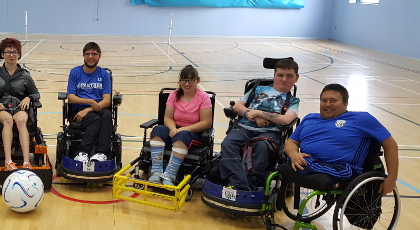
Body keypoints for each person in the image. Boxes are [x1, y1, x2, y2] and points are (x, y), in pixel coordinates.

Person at [284, 83, 398, 195]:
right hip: (313, 165)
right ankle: (309, 166)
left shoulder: (361, 119)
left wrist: (391, 179)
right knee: (284, 168)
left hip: (341, 168)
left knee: (290, 169)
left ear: (345, 104)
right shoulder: (309, 118)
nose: (327, 104)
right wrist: (294, 155)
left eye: (333, 101)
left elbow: (390, 145)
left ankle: (310, 166)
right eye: (324, 100)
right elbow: (292, 141)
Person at [219, 58, 301, 191]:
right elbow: (238, 105)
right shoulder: (257, 89)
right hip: (244, 127)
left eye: (289, 76)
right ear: (274, 75)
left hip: (270, 133)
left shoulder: (293, 101)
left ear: (296, 78)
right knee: (228, 144)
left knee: (261, 147)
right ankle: (239, 184)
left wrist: (259, 113)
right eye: (280, 75)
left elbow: (287, 120)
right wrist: (248, 115)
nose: (284, 79)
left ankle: (252, 184)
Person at [0, 38, 40, 171]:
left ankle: (26, 162)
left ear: (19, 54)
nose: (11, 55)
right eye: (8, 52)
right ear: (2, 54)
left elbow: (36, 94)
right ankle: (8, 161)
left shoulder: (25, 75)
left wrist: (28, 98)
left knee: (22, 121)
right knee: (7, 120)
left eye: (14, 52)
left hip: (19, 108)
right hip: (2, 109)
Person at [148, 65, 212, 186]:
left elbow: (206, 123)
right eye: (184, 80)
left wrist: (182, 129)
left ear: (197, 80)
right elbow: (167, 117)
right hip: (175, 129)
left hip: (193, 132)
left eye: (190, 80)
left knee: (182, 136)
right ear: (180, 81)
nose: (187, 84)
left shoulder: (204, 98)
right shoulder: (173, 95)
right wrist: (173, 128)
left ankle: (170, 175)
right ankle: (156, 172)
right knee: (158, 130)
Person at [66, 42, 113, 163]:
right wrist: (89, 102)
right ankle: (83, 152)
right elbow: (71, 98)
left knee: (107, 115)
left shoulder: (104, 75)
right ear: (83, 55)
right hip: (79, 110)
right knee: (95, 119)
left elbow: (107, 101)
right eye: (88, 54)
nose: (90, 57)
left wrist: (90, 108)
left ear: (99, 56)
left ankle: (101, 153)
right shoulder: (75, 72)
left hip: (98, 108)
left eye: (94, 54)